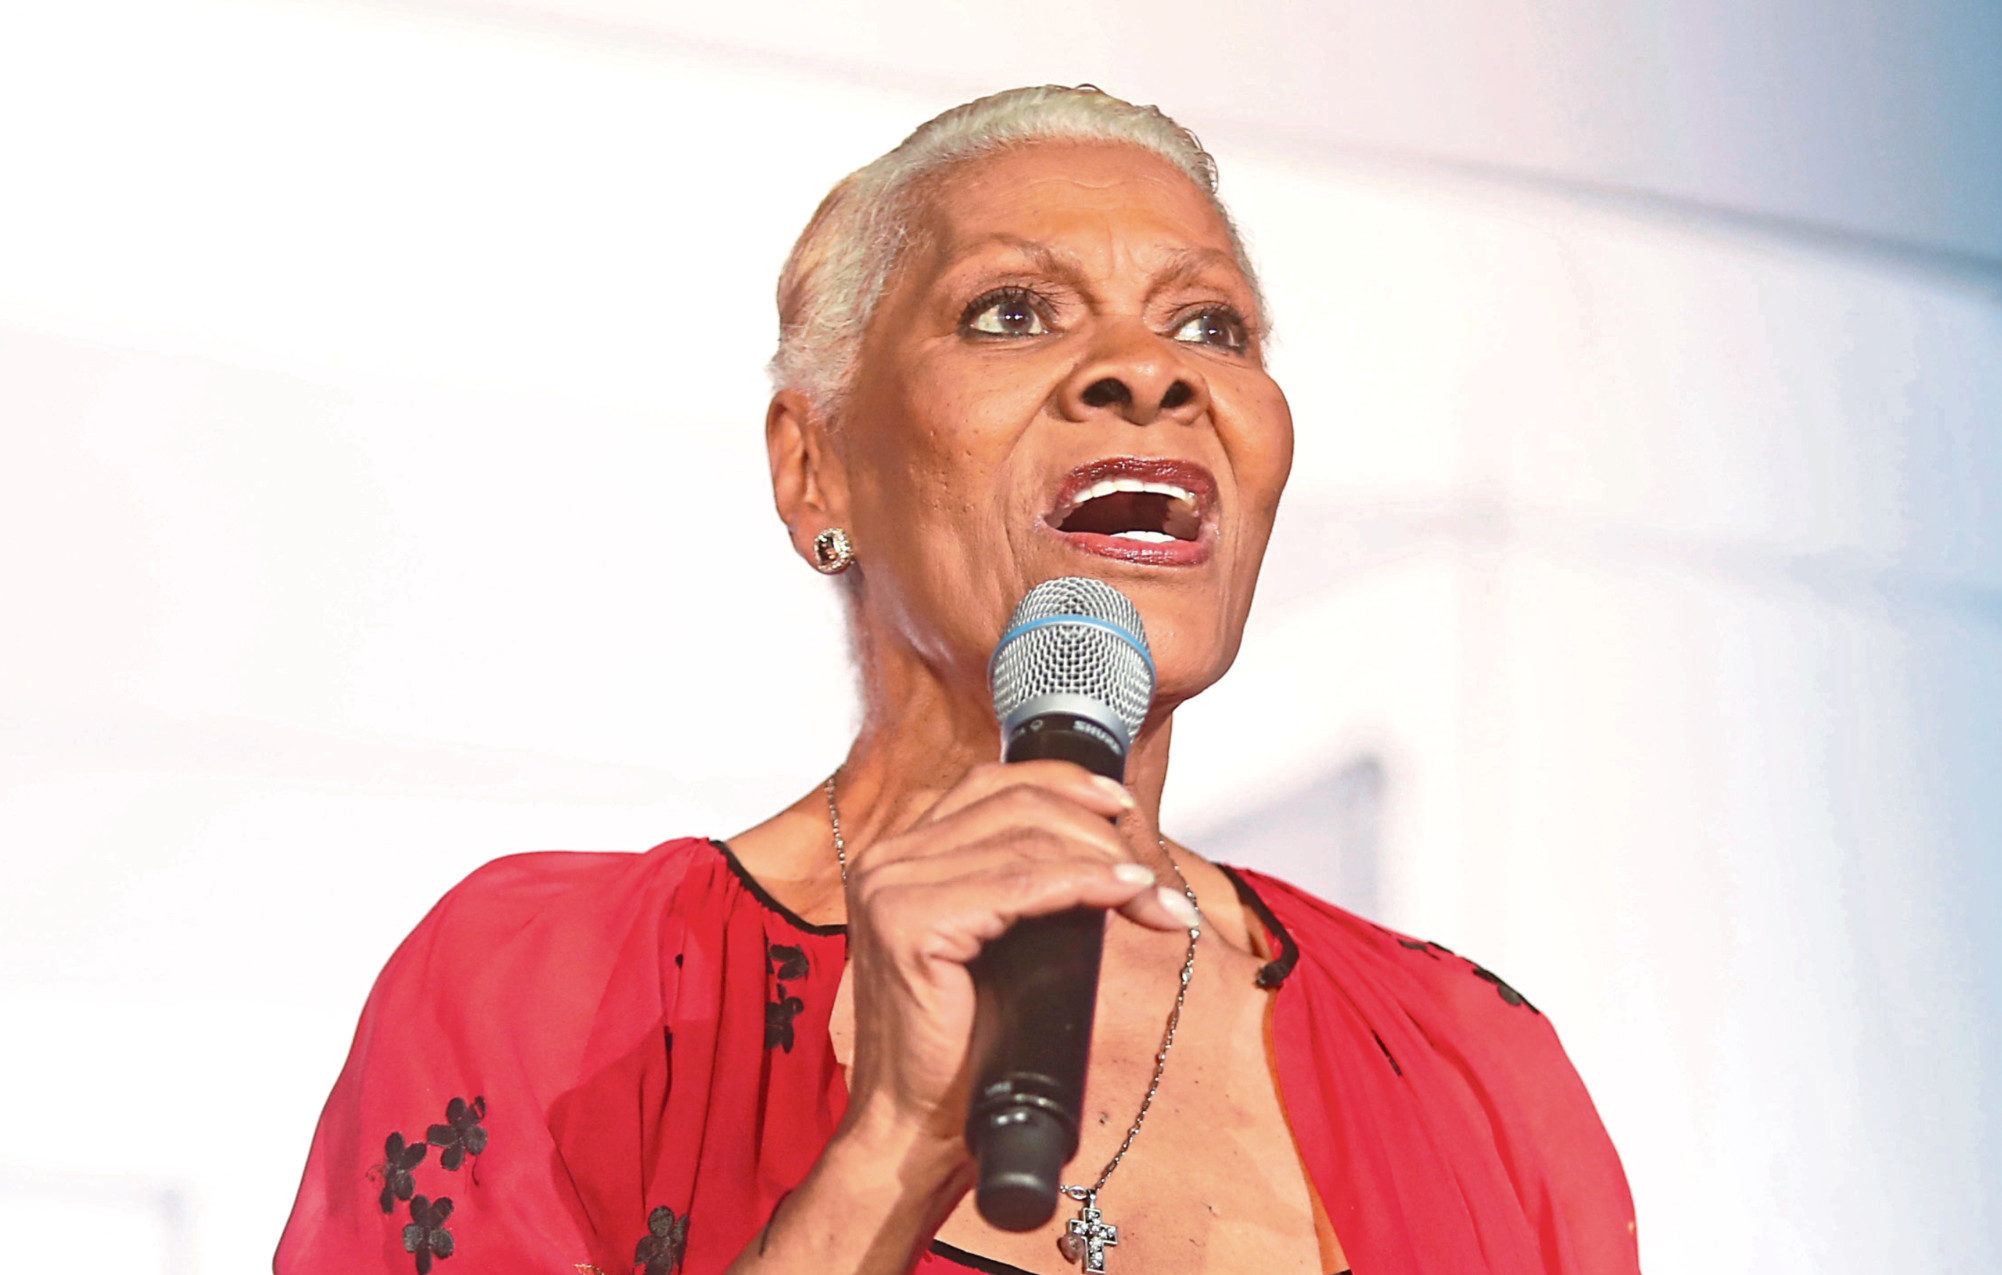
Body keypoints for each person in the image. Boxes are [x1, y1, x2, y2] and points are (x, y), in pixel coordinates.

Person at [276, 85, 1638, 1275]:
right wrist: (890, 1151)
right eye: (1011, 311)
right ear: (815, 470)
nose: (1146, 374)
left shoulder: (1467, 1071)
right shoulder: (558, 991)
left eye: (1210, 327)